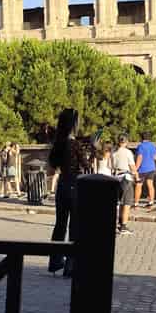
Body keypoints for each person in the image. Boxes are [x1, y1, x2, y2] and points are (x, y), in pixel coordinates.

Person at [48, 109, 91, 275]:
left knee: (60, 224)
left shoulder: (58, 143)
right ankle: (71, 265)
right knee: (74, 226)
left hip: (62, 185)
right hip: (75, 185)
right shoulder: (75, 144)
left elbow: (51, 169)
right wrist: (91, 150)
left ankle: (55, 261)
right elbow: (86, 166)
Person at [112, 134, 137, 235]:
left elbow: (111, 165)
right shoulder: (128, 152)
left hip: (116, 177)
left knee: (119, 202)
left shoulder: (114, 152)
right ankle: (124, 226)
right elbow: (132, 167)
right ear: (126, 142)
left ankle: (119, 223)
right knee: (127, 203)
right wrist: (137, 177)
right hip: (126, 177)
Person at [134, 131, 156, 207]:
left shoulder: (140, 146)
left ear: (142, 137)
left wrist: (135, 169)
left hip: (142, 169)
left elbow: (139, 158)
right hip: (151, 168)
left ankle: (136, 203)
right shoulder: (152, 146)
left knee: (138, 185)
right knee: (150, 185)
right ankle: (151, 202)